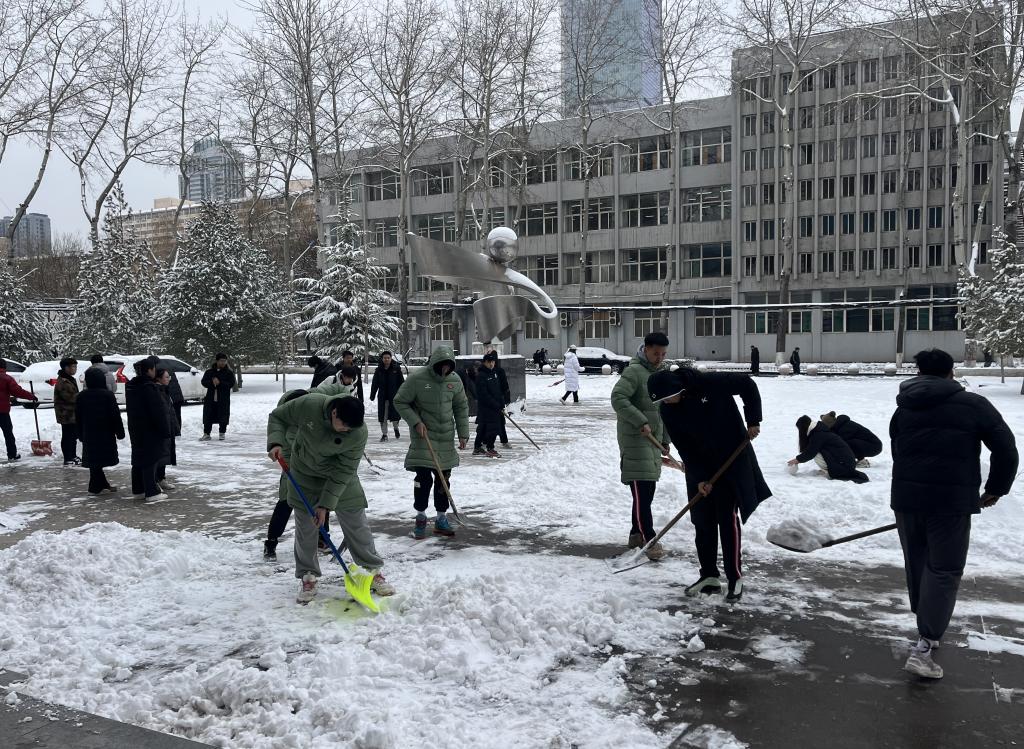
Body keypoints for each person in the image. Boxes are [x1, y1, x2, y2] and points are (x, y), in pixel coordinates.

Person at [890, 348, 1018, 679]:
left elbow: (898, 451)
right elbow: (1005, 448)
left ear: (919, 372)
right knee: (944, 569)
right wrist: (996, 488)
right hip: (950, 503)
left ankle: (926, 624)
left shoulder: (904, 406)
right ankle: (926, 641)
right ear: (951, 372)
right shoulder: (973, 404)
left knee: (918, 562)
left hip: (907, 499)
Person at [649, 367, 770, 602]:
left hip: (731, 461)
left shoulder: (708, 382)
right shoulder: (668, 410)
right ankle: (709, 576)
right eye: (662, 401)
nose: (666, 403)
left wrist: (753, 420)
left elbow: (747, 385)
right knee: (702, 522)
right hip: (701, 468)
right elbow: (685, 447)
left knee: (727, 519)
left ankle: (734, 578)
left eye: (667, 397)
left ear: (677, 389)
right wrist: (700, 479)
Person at [267, 393, 394, 603]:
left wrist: (325, 505)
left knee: (356, 521)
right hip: (305, 473)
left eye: (350, 428)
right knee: (306, 527)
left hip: (339, 476)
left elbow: (344, 471)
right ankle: (308, 576)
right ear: (334, 413)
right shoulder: (309, 405)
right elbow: (278, 416)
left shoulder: (358, 433)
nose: (346, 430)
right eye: (343, 425)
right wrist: (275, 442)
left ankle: (372, 571)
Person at [394, 345, 470, 539]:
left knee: (443, 481)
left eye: (449, 366)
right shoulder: (417, 378)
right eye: (442, 365)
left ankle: (441, 518)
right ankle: (420, 518)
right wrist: (415, 422)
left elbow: (461, 407)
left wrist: (463, 433)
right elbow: (400, 401)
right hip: (424, 437)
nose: (445, 370)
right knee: (423, 480)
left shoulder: (455, 380)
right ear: (435, 363)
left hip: (445, 439)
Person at [611, 332, 671, 560]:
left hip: (652, 442)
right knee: (643, 493)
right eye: (656, 353)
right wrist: (640, 421)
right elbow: (618, 398)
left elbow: (663, 409)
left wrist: (665, 440)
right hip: (636, 441)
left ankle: (636, 535)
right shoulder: (634, 372)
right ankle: (649, 540)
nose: (660, 358)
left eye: (663, 354)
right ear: (645, 349)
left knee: (645, 494)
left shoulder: (659, 375)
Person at [125, 359, 171, 500]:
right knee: (150, 459)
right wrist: (165, 430)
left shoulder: (131, 386)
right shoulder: (149, 387)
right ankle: (152, 492)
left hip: (135, 427)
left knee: (138, 458)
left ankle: (138, 490)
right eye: (154, 369)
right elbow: (157, 412)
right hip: (150, 428)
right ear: (149, 370)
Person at [75, 367, 125, 494]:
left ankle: (98, 485)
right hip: (105, 432)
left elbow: (78, 417)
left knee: (94, 460)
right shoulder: (107, 395)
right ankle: (96, 486)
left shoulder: (81, 396)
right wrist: (120, 432)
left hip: (89, 433)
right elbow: (115, 415)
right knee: (98, 460)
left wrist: (80, 433)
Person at [788, 416, 868, 483]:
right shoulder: (819, 430)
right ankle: (830, 469)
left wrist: (797, 460)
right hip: (846, 465)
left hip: (843, 466)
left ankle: (830, 471)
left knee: (816, 453)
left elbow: (810, 453)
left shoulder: (818, 434)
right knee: (817, 450)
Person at [0, 358, 38, 461]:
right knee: (8, 433)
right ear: (4, 367)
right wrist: (31, 396)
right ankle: (12, 454)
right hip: (2, 412)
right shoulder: (7, 378)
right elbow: (17, 391)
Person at [472, 351, 505, 458]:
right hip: (487, 408)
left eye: (493, 362)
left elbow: (498, 390)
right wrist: (495, 404)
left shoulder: (494, 373)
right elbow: (483, 394)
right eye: (489, 362)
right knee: (492, 428)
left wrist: (501, 403)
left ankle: (477, 447)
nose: (491, 364)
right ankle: (490, 448)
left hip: (495, 407)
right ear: (484, 362)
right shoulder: (481, 375)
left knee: (484, 428)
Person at [369, 351, 405, 441]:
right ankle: (384, 434)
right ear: (382, 359)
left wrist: (402, 394)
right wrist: (372, 395)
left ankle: (396, 428)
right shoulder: (378, 370)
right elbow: (375, 384)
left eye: (388, 358)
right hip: (383, 397)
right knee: (383, 417)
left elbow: (401, 383)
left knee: (395, 415)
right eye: (385, 358)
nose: (386, 359)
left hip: (394, 396)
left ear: (391, 358)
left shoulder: (396, 369)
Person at [154, 368, 180, 492]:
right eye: (166, 377)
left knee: (166, 453)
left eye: (169, 377)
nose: (169, 379)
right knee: (160, 454)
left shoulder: (165, 390)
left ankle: (161, 478)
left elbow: (170, 411)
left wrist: (175, 427)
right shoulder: (156, 391)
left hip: (168, 427)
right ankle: (156, 480)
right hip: (162, 428)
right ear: (158, 378)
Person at [200, 353, 235, 440]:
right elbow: (204, 382)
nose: (223, 363)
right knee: (208, 415)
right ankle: (207, 433)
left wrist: (220, 383)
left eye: (225, 361)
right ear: (217, 361)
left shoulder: (229, 373)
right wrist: (212, 382)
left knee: (223, 415)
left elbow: (231, 383)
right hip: (211, 398)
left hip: (223, 398)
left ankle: (222, 433)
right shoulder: (209, 372)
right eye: (221, 361)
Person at [54, 357, 81, 466]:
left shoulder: (69, 379)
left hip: (71, 413)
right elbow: (71, 398)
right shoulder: (63, 381)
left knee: (72, 436)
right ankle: (68, 457)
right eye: (73, 366)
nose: (75, 369)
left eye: (75, 366)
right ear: (66, 368)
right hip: (66, 414)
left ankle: (72, 456)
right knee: (68, 436)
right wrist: (83, 396)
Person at [495, 357, 512, 447]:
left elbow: (505, 386)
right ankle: (482, 442)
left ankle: (504, 440)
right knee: (486, 424)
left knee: (500, 422)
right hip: (489, 402)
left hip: (498, 400)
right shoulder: (485, 372)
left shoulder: (499, 371)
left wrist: (506, 400)